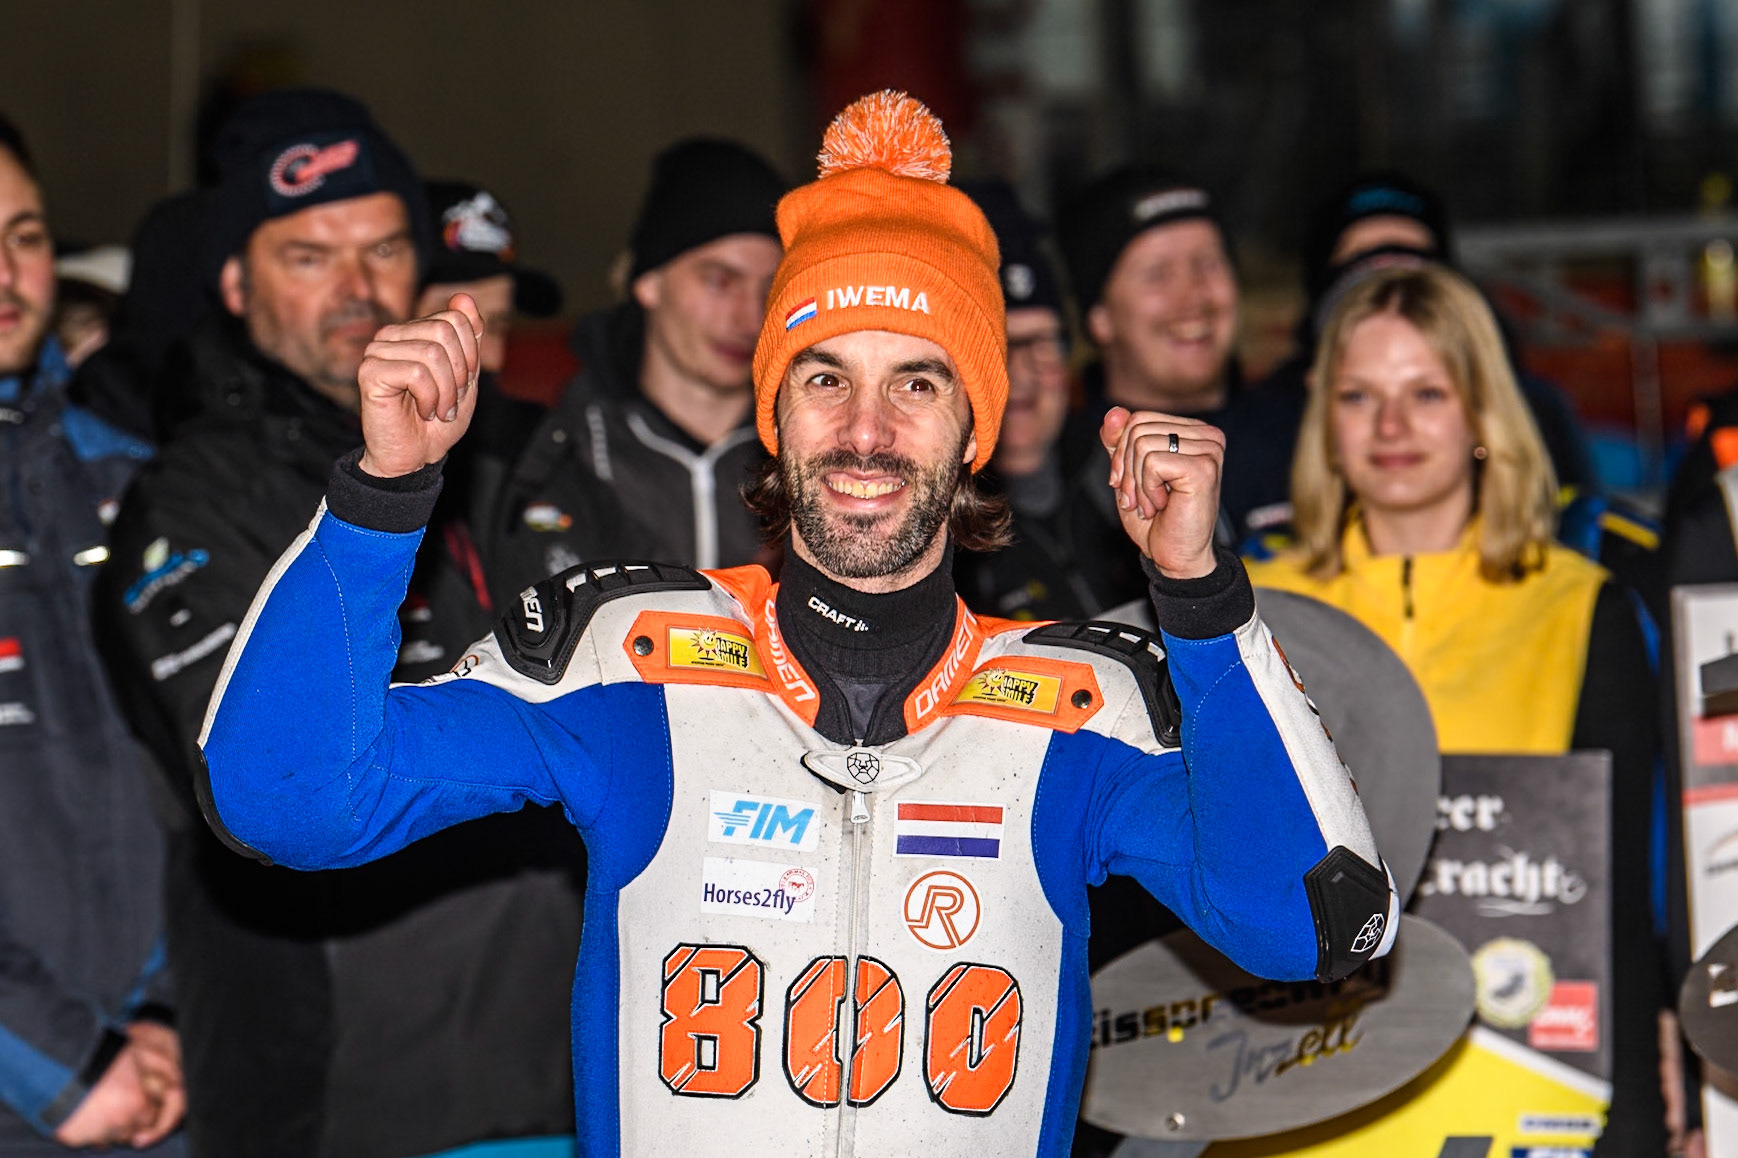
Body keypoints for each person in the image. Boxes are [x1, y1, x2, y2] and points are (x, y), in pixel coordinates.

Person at [198, 89, 1396, 1158]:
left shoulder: (1081, 704)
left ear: (973, 427)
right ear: (773, 412)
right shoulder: (623, 653)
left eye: (916, 381)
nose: (866, 429)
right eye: (825, 376)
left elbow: (1316, 927)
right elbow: (287, 803)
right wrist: (378, 496)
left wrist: (1198, 600)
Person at [94, 90, 581, 1158]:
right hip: (344, 1101)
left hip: (577, 1081)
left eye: (384, 248)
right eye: (309, 256)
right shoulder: (191, 500)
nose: (358, 289)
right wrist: (377, 500)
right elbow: (262, 788)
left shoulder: (523, 453)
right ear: (234, 283)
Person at [1242, 263, 1664, 1156]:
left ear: (1482, 412)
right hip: (1292, 1115)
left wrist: (1638, 1134)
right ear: (1328, 422)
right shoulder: (1247, 616)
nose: (1392, 427)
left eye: (1425, 393)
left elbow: (1619, 909)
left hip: (1520, 1111)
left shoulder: (1580, 609)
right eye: (1360, 396)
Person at [0, 112, 184, 1154]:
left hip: (166, 1087)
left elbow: (211, 775)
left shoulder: (130, 478)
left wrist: (168, 1018)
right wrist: (59, 1065)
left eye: (25, 233)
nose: (6, 269)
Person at [491, 138, 787, 596]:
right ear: (647, 281)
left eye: (769, 288)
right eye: (719, 280)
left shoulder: (808, 446)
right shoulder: (559, 447)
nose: (749, 317)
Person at [1053, 167, 1302, 604]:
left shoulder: (1306, 434)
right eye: (1157, 274)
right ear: (1100, 317)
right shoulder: (1060, 476)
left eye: (1208, 264)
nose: (1193, 297)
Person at [952, 179, 1094, 621]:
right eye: (994, 346)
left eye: (1039, 343)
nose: (1016, 373)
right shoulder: (923, 534)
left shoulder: (1124, 481)